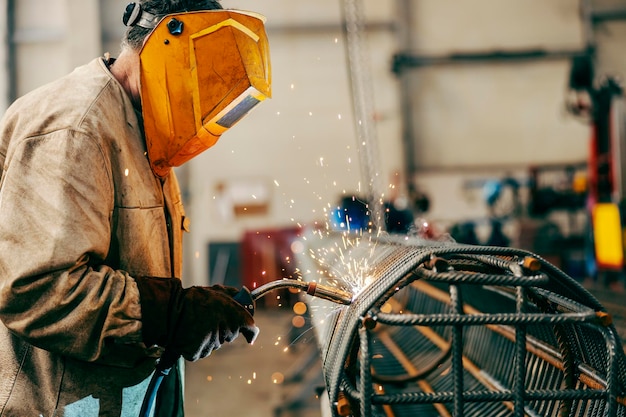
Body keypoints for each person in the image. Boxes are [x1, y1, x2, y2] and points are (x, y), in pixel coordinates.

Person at [0, 1, 271, 416]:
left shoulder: (143, 131)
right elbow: (39, 290)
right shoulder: (76, 126)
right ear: (168, 49)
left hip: (125, 395)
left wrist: (189, 306)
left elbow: (138, 271)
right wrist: (169, 314)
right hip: (62, 403)